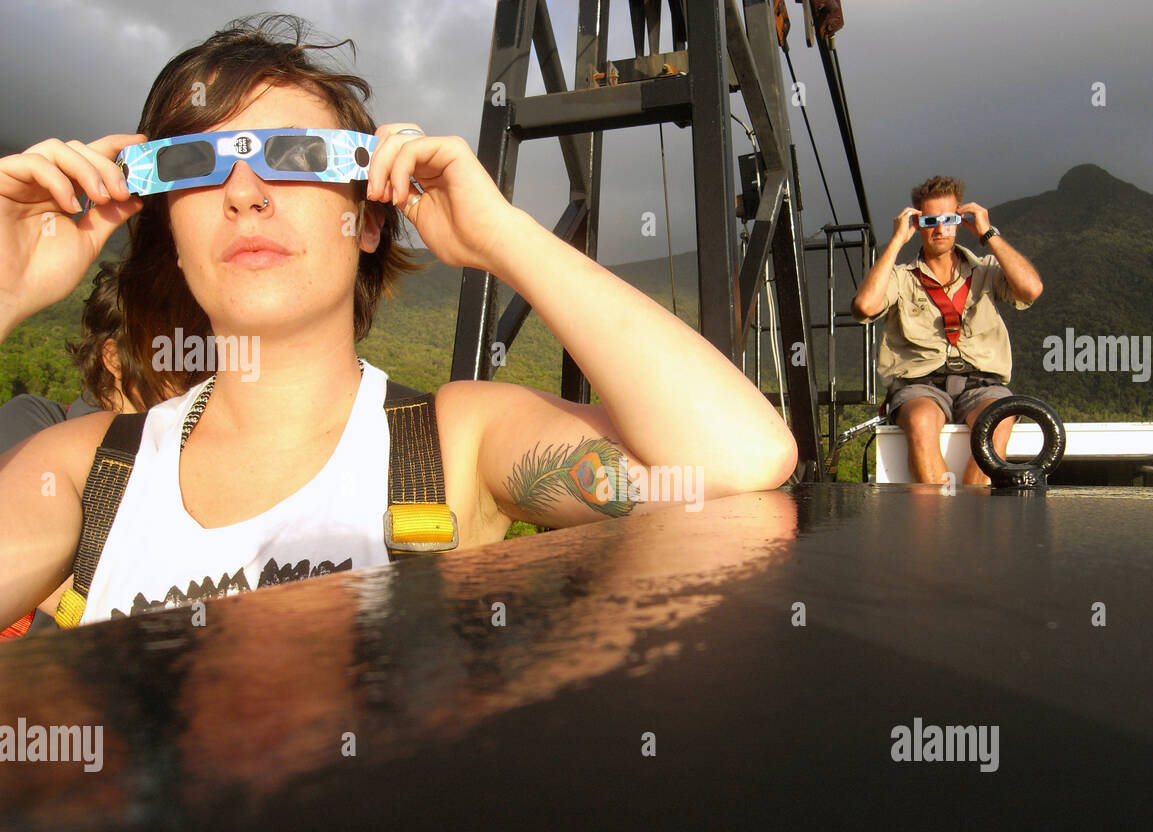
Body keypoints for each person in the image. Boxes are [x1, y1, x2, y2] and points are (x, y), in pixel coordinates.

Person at [0, 14, 796, 629]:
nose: (245, 193)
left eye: (298, 157)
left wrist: (503, 235)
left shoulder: (457, 442)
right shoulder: (83, 470)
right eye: (196, 168)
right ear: (168, 232)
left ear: (370, 216)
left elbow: (736, 456)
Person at [0, 261, 194, 636]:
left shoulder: (188, 450)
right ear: (114, 358)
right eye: (173, 350)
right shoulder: (37, 425)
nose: (197, 366)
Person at [851, 174, 1043, 485]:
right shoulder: (902, 277)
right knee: (921, 420)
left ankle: (970, 518)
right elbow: (865, 307)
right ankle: (938, 522)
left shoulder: (986, 271)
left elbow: (1031, 289)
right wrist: (898, 239)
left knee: (1000, 417)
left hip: (982, 383)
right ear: (919, 225)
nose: (940, 229)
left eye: (949, 219)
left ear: (960, 221)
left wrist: (988, 232)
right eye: (930, 221)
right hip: (921, 384)